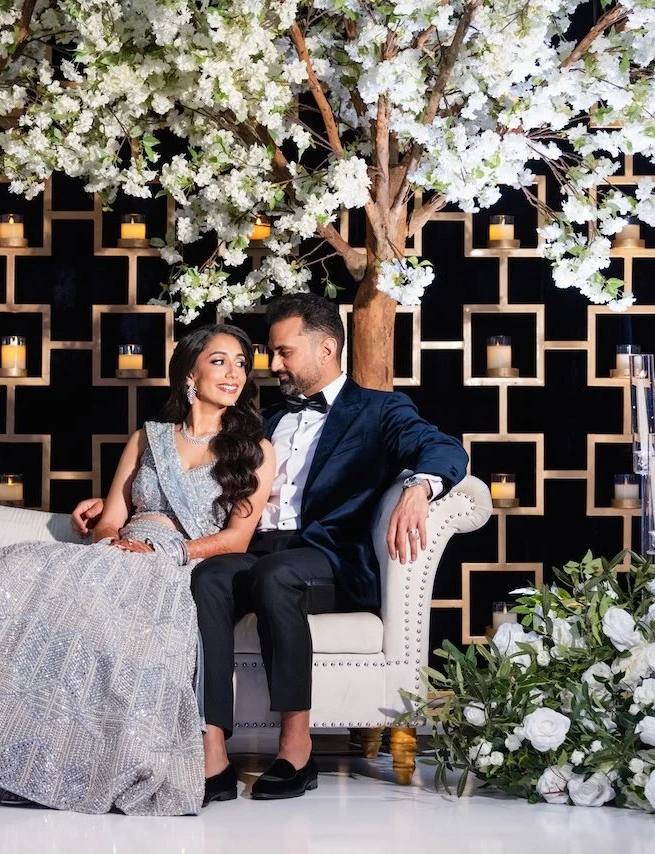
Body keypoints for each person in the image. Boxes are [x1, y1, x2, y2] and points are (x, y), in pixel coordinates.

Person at [0, 323, 275, 816]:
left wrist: (167, 554)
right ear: (189, 371)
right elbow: (111, 517)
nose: (234, 372)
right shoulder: (148, 439)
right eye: (219, 361)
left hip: (179, 564)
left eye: (241, 363)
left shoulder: (255, 450)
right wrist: (114, 545)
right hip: (119, 554)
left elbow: (238, 537)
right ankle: (6, 760)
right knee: (20, 586)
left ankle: (55, 771)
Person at [73, 293, 468, 805]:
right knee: (209, 579)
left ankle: (295, 750)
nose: (272, 365)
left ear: (326, 348)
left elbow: (444, 447)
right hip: (254, 546)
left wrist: (419, 486)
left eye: (284, 353)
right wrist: (115, 502)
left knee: (274, 575)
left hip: (324, 555)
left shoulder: (379, 410)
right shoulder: (261, 419)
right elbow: (193, 468)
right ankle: (212, 750)